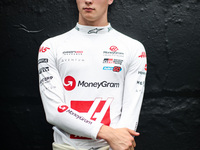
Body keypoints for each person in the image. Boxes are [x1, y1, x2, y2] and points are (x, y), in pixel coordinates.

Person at [38, 0, 147, 150]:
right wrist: (108, 133)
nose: (88, 1)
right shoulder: (51, 47)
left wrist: (120, 140)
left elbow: (131, 108)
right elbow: (54, 112)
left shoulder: (133, 48)